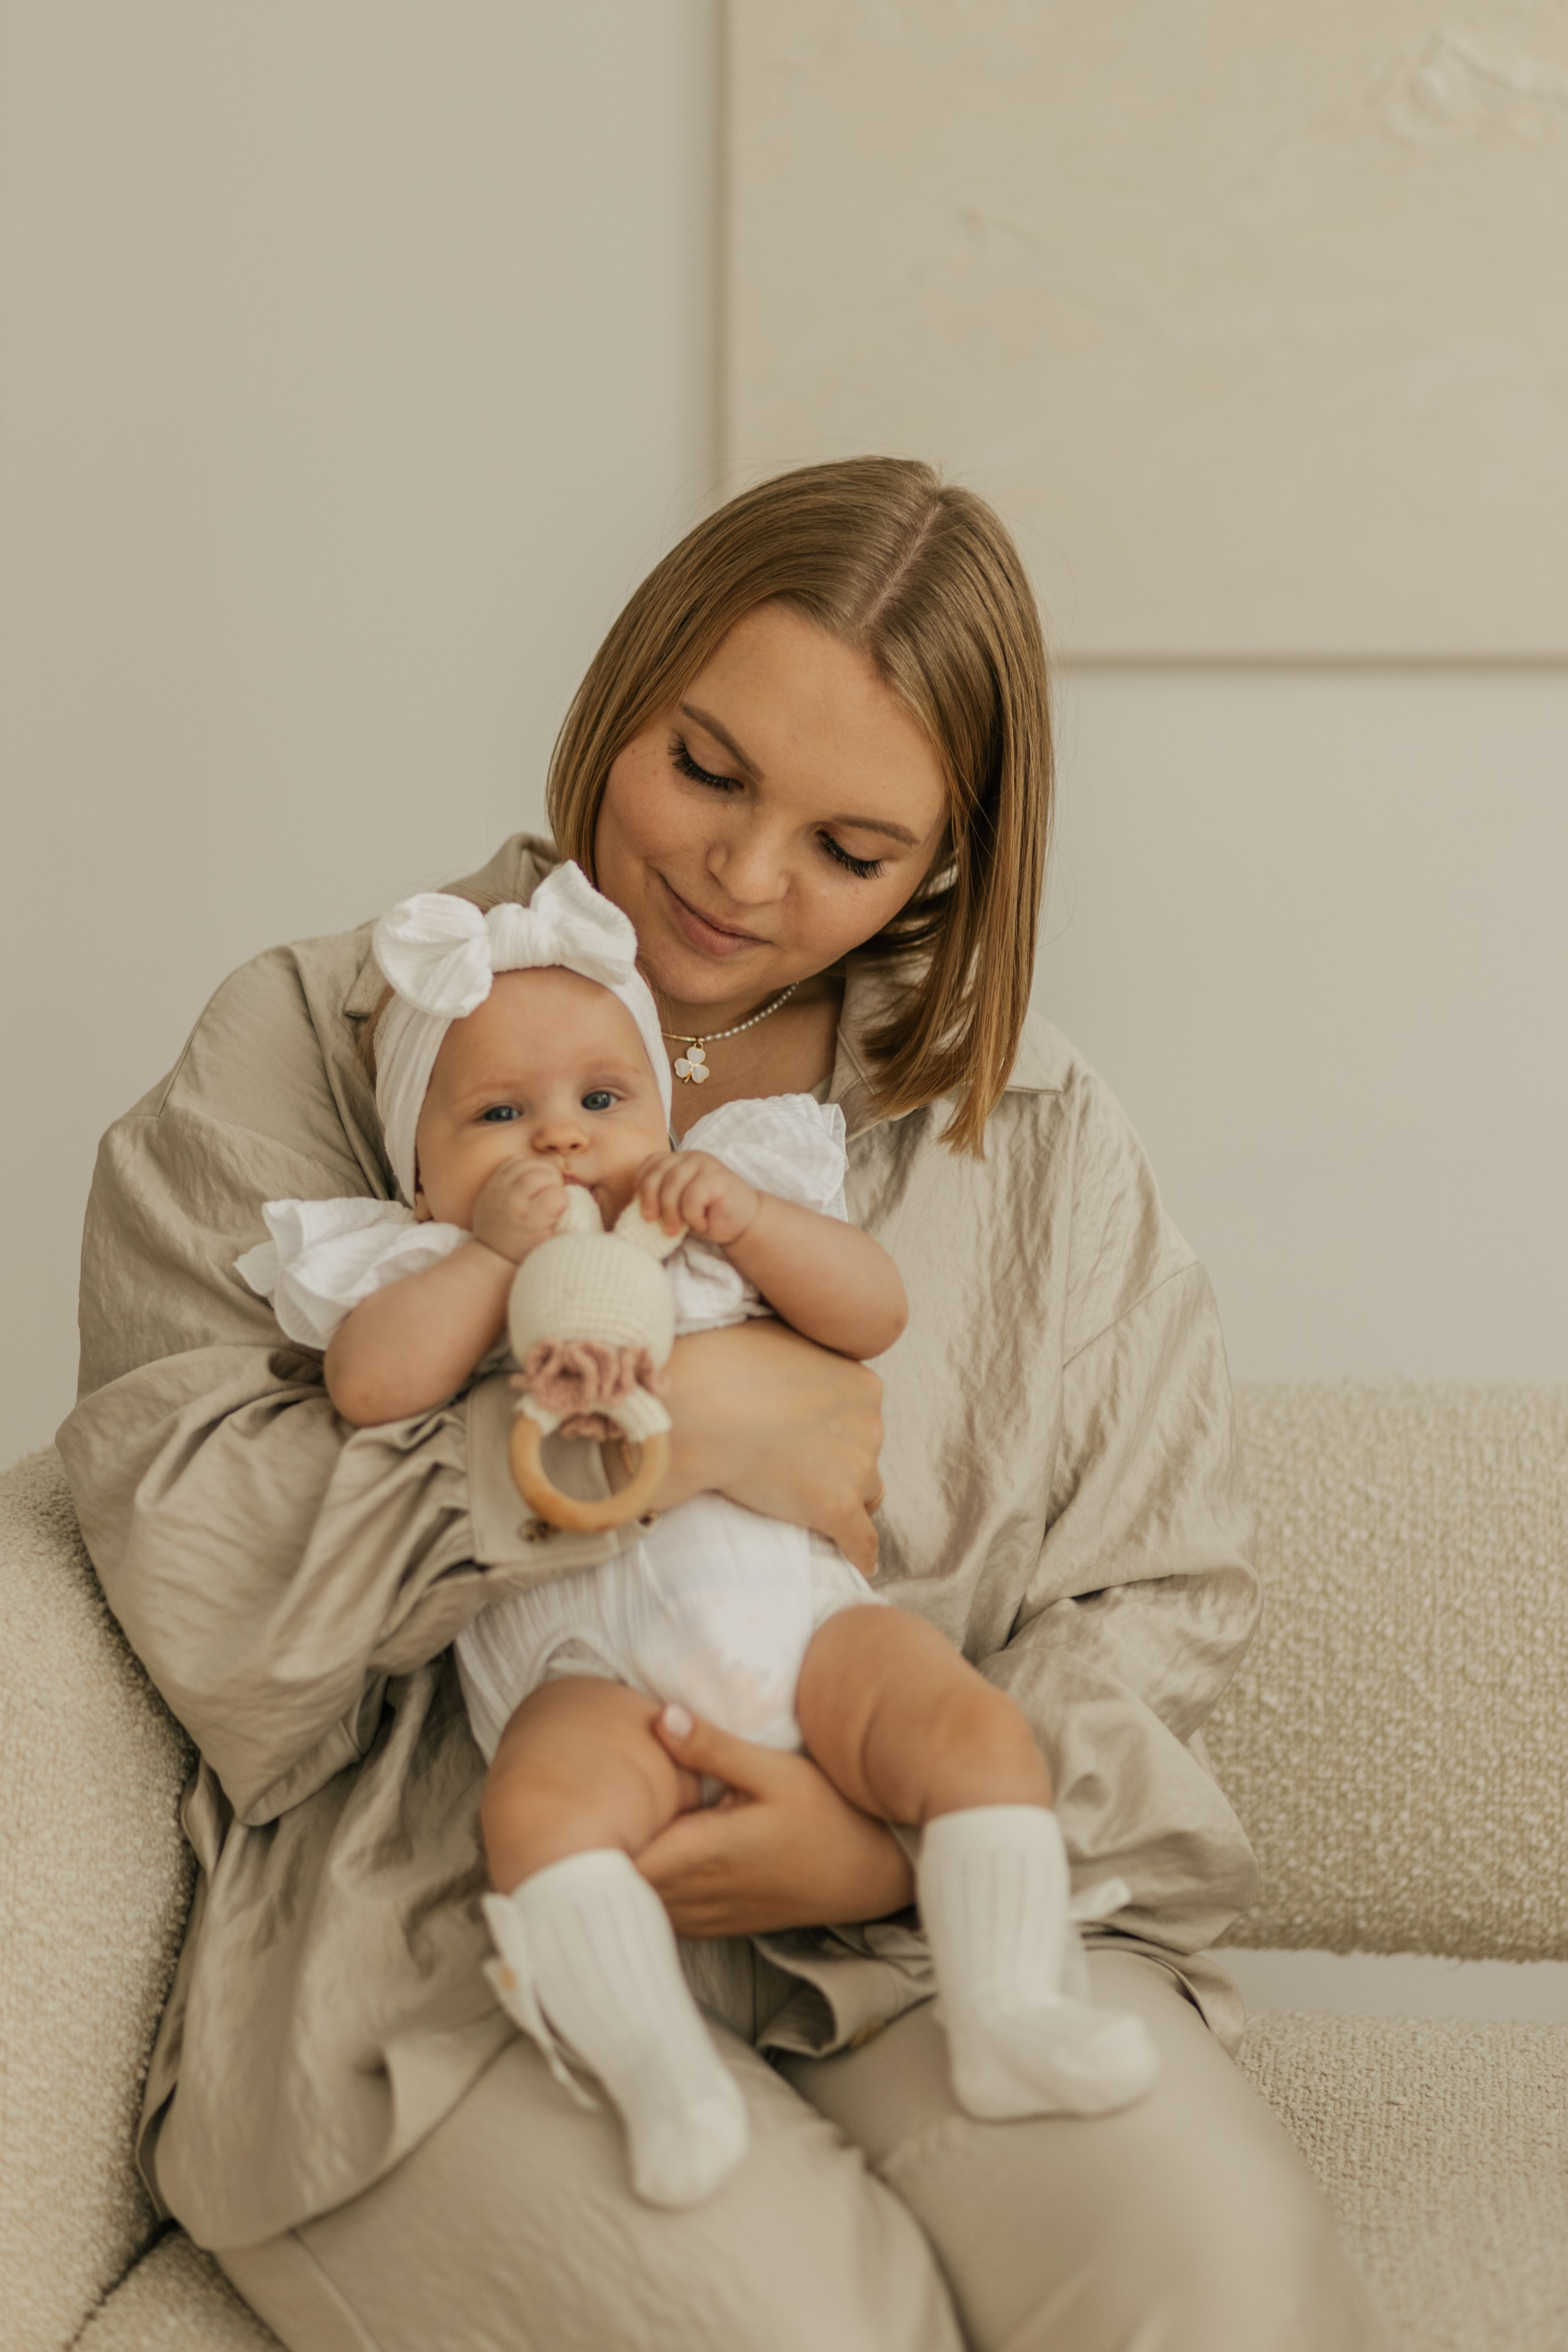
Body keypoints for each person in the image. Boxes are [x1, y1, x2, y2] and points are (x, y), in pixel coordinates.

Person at [59, 458, 1390, 2348]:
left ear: (949, 861)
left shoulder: (1038, 1135)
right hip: (461, 1921)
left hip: (930, 1908)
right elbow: (200, 1556)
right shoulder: (324, 1030)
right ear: (625, 689)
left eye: (854, 851)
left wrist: (895, 1841)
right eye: (705, 769)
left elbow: (1155, 1592)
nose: (746, 878)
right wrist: (676, 1441)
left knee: (1221, 2290)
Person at [236, 857, 1160, 2212]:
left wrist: (760, 1224)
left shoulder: (708, 1219)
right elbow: (370, 1388)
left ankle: (1010, 2008)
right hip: (581, 1673)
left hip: (798, 1627)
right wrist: (489, 1259)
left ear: (661, 1112)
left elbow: (871, 1313)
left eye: (600, 1100)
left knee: (966, 1730)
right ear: (419, 1179)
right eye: (498, 1114)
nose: (559, 1139)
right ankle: (656, 2071)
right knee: (539, 1812)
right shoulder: (425, 1265)